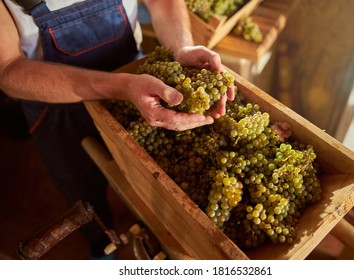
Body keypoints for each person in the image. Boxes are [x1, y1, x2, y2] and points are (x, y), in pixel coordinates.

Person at [0, 0, 234, 259]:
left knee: (143, 179)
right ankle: (101, 245)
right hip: (55, 108)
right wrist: (122, 87)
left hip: (140, 86)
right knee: (82, 191)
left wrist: (181, 48)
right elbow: (8, 69)